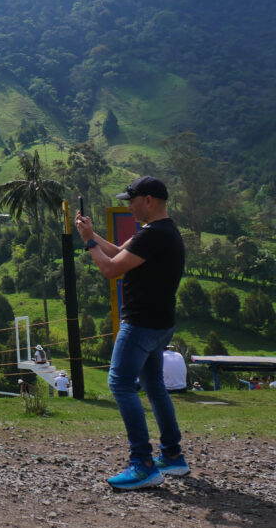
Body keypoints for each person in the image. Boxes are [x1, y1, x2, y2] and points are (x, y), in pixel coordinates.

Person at [76, 176, 188, 490]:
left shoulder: (153, 235)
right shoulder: (164, 232)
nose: (128, 205)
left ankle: (143, 464)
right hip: (161, 324)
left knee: (121, 384)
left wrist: (88, 243)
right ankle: (172, 456)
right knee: (154, 387)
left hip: (140, 323)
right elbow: (117, 254)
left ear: (148, 200)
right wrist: (91, 233)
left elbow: (111, 269)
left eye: (131, 199)